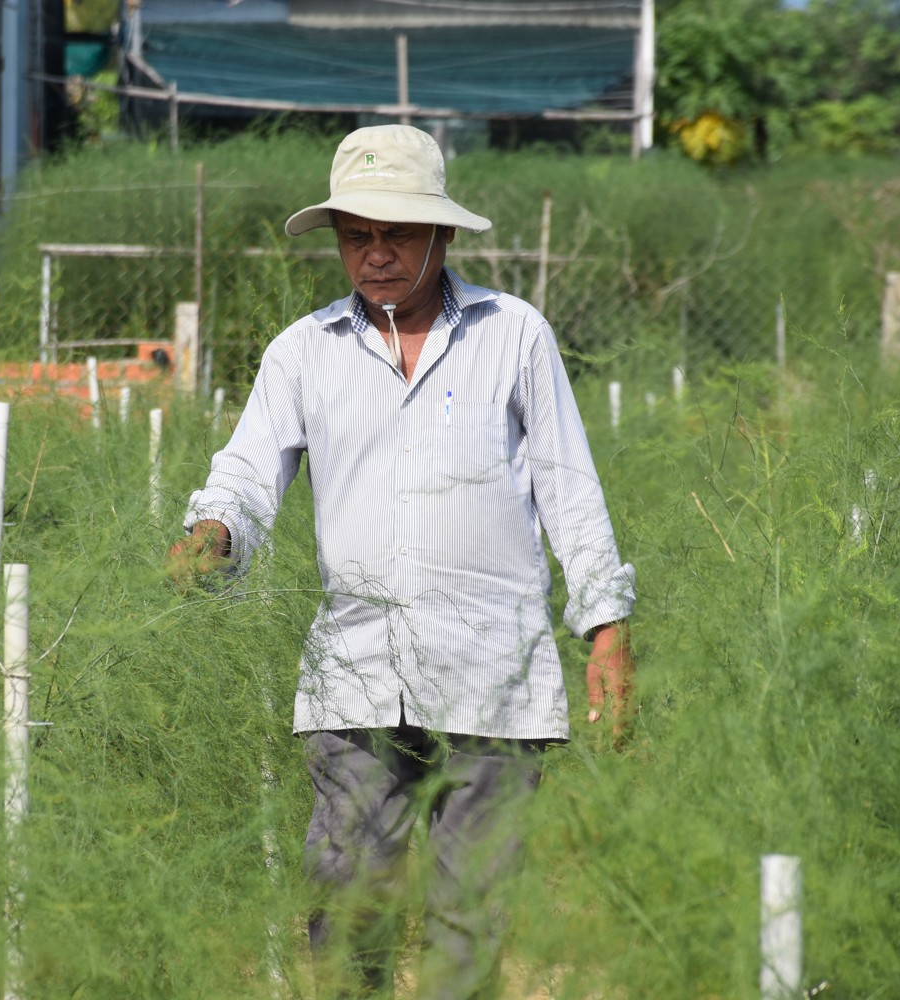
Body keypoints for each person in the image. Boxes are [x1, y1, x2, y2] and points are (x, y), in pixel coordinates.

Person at [167, 124, 635, 998]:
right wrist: (216, 532)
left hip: (495, 672)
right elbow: (246, 471)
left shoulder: (514, 335)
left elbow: (570, 485)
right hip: (358, 674)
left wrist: (606, 628)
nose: (375, 254)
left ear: (442, 235)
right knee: (347, 897)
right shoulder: (303, 351)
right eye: (356, 235)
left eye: (397, 234)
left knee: (472, 915)